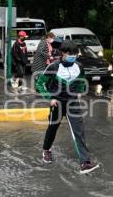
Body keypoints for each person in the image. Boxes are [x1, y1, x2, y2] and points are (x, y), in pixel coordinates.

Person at [35, 40, 99, 174]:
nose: (73, 56)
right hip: (57, 103)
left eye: (75, 54)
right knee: (52, 128)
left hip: (73, 102)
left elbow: (82, 80)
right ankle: (46, 150)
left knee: (78, 131)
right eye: (70, 54)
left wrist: (80, 91)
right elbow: (40, 84)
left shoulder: (79, 66)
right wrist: (49, 98)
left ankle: (85, 162)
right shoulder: (53, 67)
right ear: (62, 53)